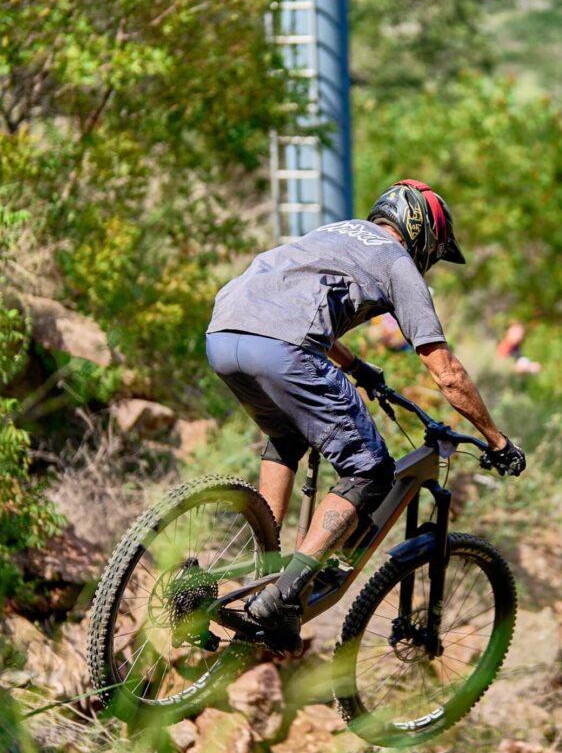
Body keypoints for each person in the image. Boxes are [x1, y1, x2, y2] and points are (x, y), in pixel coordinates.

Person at [205, 180, 526, 652]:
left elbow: (291, 303)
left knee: (288, 435)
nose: (428, 262)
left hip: (223, 333)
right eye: (433, 253)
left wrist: (355, 366)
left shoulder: (336, 233)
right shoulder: (399, 265)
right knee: (370, 470)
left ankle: (263, 567)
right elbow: (449, 374)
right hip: (284, 350)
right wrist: (498, 441)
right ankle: (284, 595)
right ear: (421, 236)